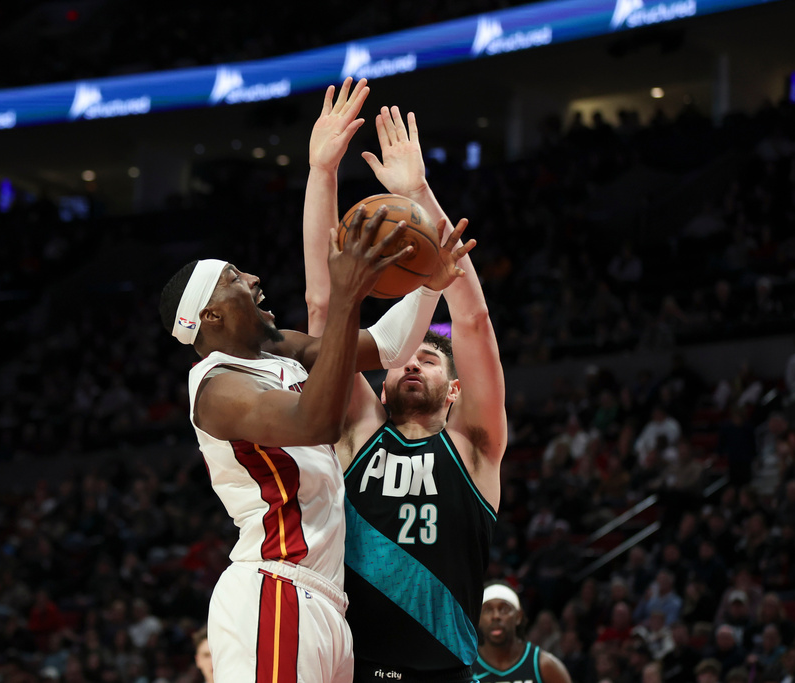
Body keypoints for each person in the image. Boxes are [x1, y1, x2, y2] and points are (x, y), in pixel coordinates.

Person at [158, 77, 469, 681]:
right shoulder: (216, 388)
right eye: (234, 279)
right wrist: (348, 291)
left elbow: (383, 346)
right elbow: (317, 421)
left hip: (324, 601)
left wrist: (431, 285)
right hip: (273, 586)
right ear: (209, 316)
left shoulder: (280, 350)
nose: (253, 279)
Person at [303, 94, 506, 681]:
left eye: (431, 360)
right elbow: (324, 309)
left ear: (455, 391)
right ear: (382, 383)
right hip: (357, 667)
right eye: (404, 359)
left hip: (447, 671)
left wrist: (419, 194)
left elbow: (473, 322)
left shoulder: (475, 447)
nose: (414, 364)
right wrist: (322, 172)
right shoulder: (358, 429)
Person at [473, 582, 573, 683]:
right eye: (487, 610)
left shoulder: (544, 665)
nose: (496, 616)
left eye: (504, 609)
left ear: (518, 616)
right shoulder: (468, 665)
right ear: (479, 618)